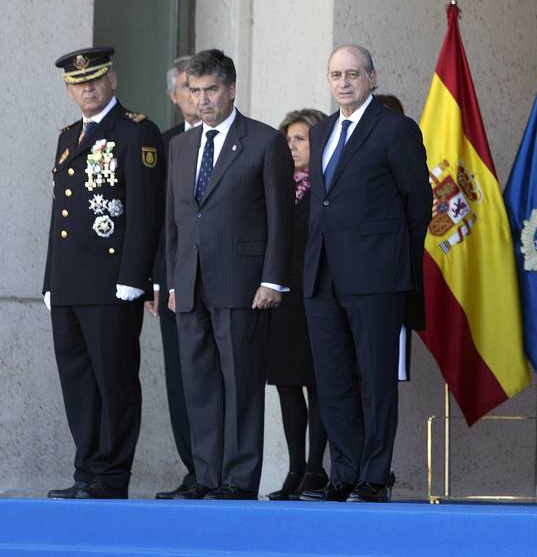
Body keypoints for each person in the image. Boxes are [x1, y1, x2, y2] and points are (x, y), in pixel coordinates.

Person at [302, 45, 431, 504]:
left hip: (377, 277)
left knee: (375, 380)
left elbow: (419, 202)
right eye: (336, 73)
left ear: (372, 78)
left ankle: (374, 477)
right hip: (322, 275)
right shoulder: (320, 132)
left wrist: (395, 260)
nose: (343, 82)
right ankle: (344, 474)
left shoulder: (395, 129)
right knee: (333, 379)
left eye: (353, 73)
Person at [164, 49, 291, 500]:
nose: (202, 100)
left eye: (211, 90)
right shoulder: (179, 147)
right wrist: (173, 281)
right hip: (190, 284)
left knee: (240, 385)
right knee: (198, 386)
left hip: (243, 284)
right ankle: (206, 476)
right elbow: (174, 221)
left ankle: (238, 480)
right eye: (194, 91)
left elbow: (281, 218)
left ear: (231, 89)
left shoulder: (263, 141)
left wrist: (272, 279)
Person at [44, 47, 165, 499]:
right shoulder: (69, 136)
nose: (87, 88)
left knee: (114, 381)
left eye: (95, 79)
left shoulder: (137, 132)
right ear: (70, 89)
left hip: (114, 282)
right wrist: (49, 281)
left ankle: (112, 475)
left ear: (112, 80)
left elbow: (145, 211)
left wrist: (136, 277)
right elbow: (61, 214)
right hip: (70, 283)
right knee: (78, 382)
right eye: (78, 83)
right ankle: (86, 471)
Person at [266, 108, 330, 500]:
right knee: (287, 385)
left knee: (318, 386)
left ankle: (315, 470)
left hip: (317, 298)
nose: (292, 146)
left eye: (300, 139)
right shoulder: (274, 185)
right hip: (280, 300)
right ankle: (294, 470)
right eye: (287, 140)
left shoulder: (328, 185)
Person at [152, 56, 201, 499]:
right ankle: (193, 469)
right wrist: (154, 279)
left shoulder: (237, 141)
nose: (196, 95)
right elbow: (155, 219)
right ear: (174, 95)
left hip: (220, 282)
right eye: (188, 87)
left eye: (203, 86)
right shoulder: (163, 144)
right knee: (179, 379)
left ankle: (220, 471)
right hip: (172, 284)